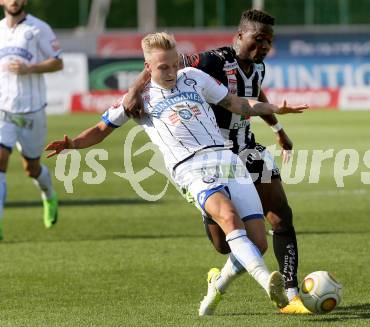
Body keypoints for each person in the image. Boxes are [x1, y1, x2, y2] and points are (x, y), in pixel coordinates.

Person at [45, 32, 308, 315]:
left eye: (173, 64)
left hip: (226, 158)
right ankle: (268, 285)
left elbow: (237, 104)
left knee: (258, 242)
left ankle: (218, 284)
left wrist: (274, 109)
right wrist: (74, 143)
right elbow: (100, 130)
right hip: (189, 167)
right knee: (230, 220)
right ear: (147, 67)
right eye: (163, 67)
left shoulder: (193, 76)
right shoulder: (137, 100)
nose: (172, 72)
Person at [123, 9, 309, 314]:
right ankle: (218, 267)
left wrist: (278, 128)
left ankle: (292, 293)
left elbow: (253, 93)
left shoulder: (258, 68)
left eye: (269, 42)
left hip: (247, 149)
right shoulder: (212, 60)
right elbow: (167, 64)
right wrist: (134, 89)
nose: (263, 47)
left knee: (280, 216)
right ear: (239, 36)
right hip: (212, 154)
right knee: (224, 246)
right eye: (258, 39)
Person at [0, 0, 63, 240]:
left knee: (31, 168)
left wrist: (30, 68)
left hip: (32, 110)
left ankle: (48, 195)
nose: (14, 1)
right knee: (0, 161)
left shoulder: (39, 28)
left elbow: (58, 62)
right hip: (3, 110)